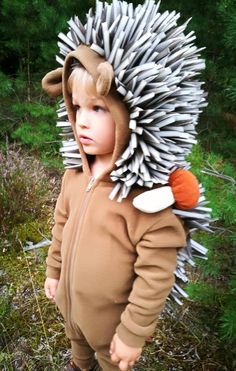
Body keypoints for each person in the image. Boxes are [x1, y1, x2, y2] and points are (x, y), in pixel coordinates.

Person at [42, 1, 206, 370]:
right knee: (78, 350)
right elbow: (61, 227)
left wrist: (132, 333)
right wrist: (54, 271)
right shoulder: (75, 176)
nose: (81, 121)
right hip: (72, 307)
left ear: (134, 114)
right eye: (76, 106)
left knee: (106, 359)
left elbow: (155, 274)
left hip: (111, 326)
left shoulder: (147, 200)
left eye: (98, 108)